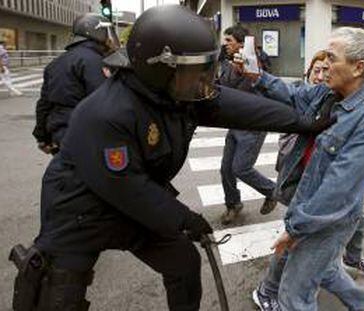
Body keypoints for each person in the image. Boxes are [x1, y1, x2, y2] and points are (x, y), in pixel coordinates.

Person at [9, 6, 333, 311]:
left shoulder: (180, 92)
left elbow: (240, 107)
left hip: (138, 200)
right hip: (80, 210)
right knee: (57, 293)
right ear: (159, 68)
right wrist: (183, 218)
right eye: (194, 72)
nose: (204, 82)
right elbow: (126, 186)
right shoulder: (107, 112)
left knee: (183, 262)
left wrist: (302, 121)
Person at [250, 27, 364, 311]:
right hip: (307, 204)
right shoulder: (330, 93)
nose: (324, 63)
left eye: (331, 56)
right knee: (322, 270)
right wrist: (258, 77)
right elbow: (295, 95)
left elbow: (338, 189)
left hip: (328, 219)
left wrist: (295, 228)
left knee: (293, 298)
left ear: (357, 67)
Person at [32, 13, 120, 155]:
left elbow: (44, 105)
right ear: (97, 32)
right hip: (87, 135)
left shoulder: (55, 63)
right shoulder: (96, 62)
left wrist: (43, 137)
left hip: (60, 136)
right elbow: (105, 103)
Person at [219, 25, 278, 225]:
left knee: (241, 168)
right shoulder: (229, 62)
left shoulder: (254, 63)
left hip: (253, 125)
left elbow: (239, 91)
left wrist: (239, 68)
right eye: (224, 40)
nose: (224, 44)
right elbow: (222, 87)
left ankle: (272, 191)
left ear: (242, 44)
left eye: (229, 41)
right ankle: (233, 204)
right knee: (226, 169)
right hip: (235, 123)